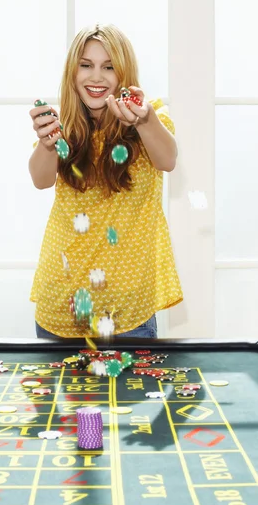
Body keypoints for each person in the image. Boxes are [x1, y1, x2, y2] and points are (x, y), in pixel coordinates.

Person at [28, 23, 183, 340]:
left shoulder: (149, 120)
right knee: (61, 392)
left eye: (108, 67)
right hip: (62, 301)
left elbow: (167, 159)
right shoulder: (65, 130)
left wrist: (145, 120)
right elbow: (40, 180)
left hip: (127, 311)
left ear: (123, 74)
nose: (96, 77)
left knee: (129, 391)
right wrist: (47, 144)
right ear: (73, 73)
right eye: (86, 65)